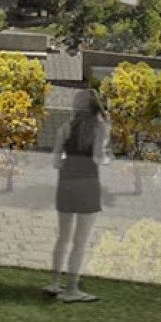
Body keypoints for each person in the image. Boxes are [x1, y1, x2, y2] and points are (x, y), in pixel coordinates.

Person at [46, 90, 111, 304]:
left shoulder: (65, 128)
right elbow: (98, 158)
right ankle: (72, 289)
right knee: (80, 242)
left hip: (65, 184)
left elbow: (55, 162)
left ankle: (54, 283)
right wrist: (107, 158)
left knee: (62, 237)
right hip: (87, 185)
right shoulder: (100, 128)